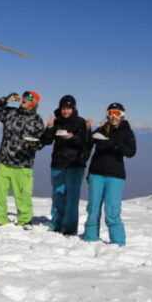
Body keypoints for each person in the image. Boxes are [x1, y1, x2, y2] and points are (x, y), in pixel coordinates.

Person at [0, 91, 45, 230]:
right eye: (24, 97)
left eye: (29, 98)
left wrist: (35, 144)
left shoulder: (37, 120)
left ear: (34, 103)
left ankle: (25, 220)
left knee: (23, 194)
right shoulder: (10, 113)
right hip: (5, 161)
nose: (24, 99)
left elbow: (41, 142)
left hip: (23, 164)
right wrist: (6, 99)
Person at [83, 102, 137, 245]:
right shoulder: (101, 129)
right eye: (111, 113)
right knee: (93, 208)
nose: (113, 116)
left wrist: (117, 143)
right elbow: (88, 143)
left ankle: (118, 242)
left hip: (115, 176)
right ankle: (89, 238)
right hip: (96, 173)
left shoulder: (126, 131)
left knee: (112, 211)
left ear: (122, 115)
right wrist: (88, 130)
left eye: (117, 113)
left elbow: (131, 152)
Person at [39, 94, 89, 235]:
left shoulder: (80, 122)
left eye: (68, 108)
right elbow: (46, 141)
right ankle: (56, 224)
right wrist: (49, 128)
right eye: (63, 108)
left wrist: (72, 137)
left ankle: (69, 228)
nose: (65, 111)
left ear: (73, 109)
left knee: (72, 197)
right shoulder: (57, 122)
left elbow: (85, 143)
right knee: (58, 195)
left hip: (75, 165)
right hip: (58, 164)